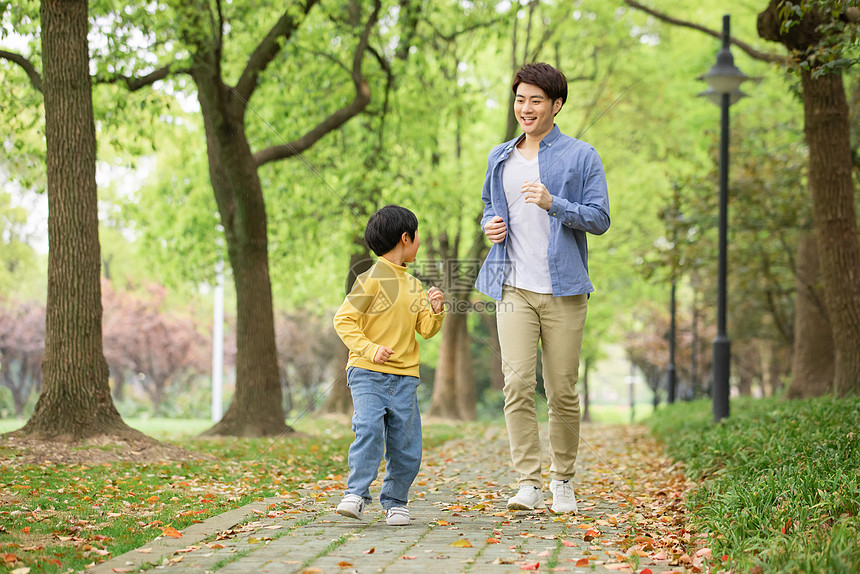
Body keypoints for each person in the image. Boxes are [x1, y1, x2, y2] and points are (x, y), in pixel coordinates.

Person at [474, 62, 610, 514]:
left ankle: (562, 479)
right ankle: (529, 482)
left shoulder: (581, 155)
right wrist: (488, 225)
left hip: (564, 289)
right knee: (516, 384)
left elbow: (600, 218)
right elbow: (488, 206)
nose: (525, 108)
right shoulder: (500, 156)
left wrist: (555, 204)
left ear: (556, 104)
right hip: (512, 283)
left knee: (562, 390)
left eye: (535, 100)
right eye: (520, 99)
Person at [333, 204, 445, 526]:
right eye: (417, 234)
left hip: (405, 377)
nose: (419, 240)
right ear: (405, 238)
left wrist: (436, 309)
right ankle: (356, 494)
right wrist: (369, 349)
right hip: (367, 373)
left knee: (407, 445)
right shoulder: (369, 279)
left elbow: (425, 329)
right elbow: (344, 320)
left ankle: (396, 501)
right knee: (368, 429)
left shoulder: (414, 286)